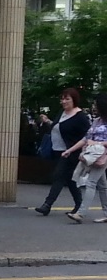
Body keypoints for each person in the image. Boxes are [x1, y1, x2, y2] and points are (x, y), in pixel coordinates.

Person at [35, 87, 90, 217]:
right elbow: (57, 127)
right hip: (58, 150)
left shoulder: (80, 117)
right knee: (70, 179)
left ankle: (47, 205)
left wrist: (80, 150)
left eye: (67, 99)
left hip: (71, 152)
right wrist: (48, 121)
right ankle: (78, 204)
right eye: (62, 99)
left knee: (58, 176)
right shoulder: (62, 113)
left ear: (74, 100)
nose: (64, 101)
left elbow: (88, 135)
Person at [62, 92, 107, 223]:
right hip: (92, 155)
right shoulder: (97, 121)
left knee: (91, 183)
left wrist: (98, 143)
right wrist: (69, 150)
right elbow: (85, 139)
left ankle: (81, 213)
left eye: (96, 104)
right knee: (102, 185)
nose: (94, 106)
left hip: (102, 156)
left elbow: (90, 141)